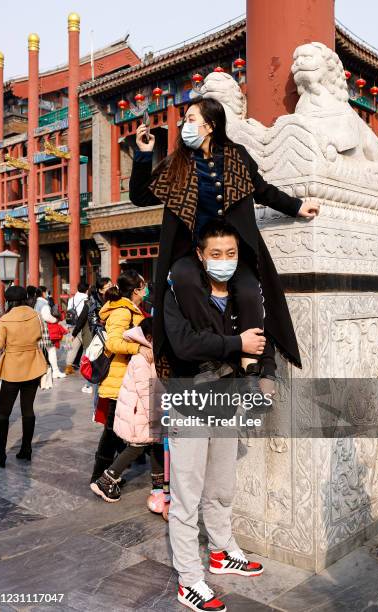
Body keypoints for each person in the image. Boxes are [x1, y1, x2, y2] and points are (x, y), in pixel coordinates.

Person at [129, 96, 320, 389]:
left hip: (234, 250)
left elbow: (263, 190)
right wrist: (144, 153)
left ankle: (253, 361)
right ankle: (209, 360)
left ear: (210, 125)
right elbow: (140, 196)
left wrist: (296, 207)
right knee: (183, 278)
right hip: (193, 251)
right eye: (185, 120)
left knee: (248, 291)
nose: (184, 125)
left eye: (191, 119)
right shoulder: (177, 163)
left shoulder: (236, 156)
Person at [163, 221, 266, 612]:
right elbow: (184, 344)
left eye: (231, 254)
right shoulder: (182, 294)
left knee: (222, 486)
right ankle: (190, 579)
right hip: (189, 403)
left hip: (226, 402)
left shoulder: (242, 295)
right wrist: (235, 344)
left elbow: (260, 341)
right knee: (186, 497)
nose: (224, 261)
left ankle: (222, 551)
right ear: (201, 256)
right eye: (216, 254)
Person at [91, 317, 164, 505]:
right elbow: (146, 391)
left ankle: (159, 485)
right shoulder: (141, 359)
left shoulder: (149, 355)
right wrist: (155, 417)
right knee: (136, 447)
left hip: (142, 411)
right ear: (149, 337)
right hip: (139, 412)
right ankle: (106, 479)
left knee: (155, 444)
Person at [89, 270, 150, 484]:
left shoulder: (132, 309)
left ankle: (111, 470)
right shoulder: (122, 311)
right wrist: (138, 349)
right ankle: (99, 475)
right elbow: (113, 343)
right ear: (136, 289)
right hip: (118, 377)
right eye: (144, 286)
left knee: (118, 428)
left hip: (127, 377)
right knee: (112, 430)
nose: (146, 289)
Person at [0, 286, 47, 467]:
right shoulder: (35, 315)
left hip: (13, 367)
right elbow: (39, 335)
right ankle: (26, 449)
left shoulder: (5, 320)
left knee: (2, 414)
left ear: (9, 301)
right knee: (28, 409)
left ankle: (0, 456)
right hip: (32, 364)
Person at [35, 286, 66, 379]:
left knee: (40, 351)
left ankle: (40, 371)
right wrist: (55, 320)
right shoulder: (44, 304)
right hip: (45, 329)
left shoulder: (36, 303)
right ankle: (55, 371)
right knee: (51, 350)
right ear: (44, 293)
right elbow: (47, 317)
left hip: (38, 329)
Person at [65, 282, 89, 375]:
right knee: (88, 347)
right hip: (81, 325)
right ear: (87, 290)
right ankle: (87, 367)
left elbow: (68, 311)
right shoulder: (86, 299)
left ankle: (69, 366)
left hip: (72, 324)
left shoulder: (72, 299)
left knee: (72, 347)